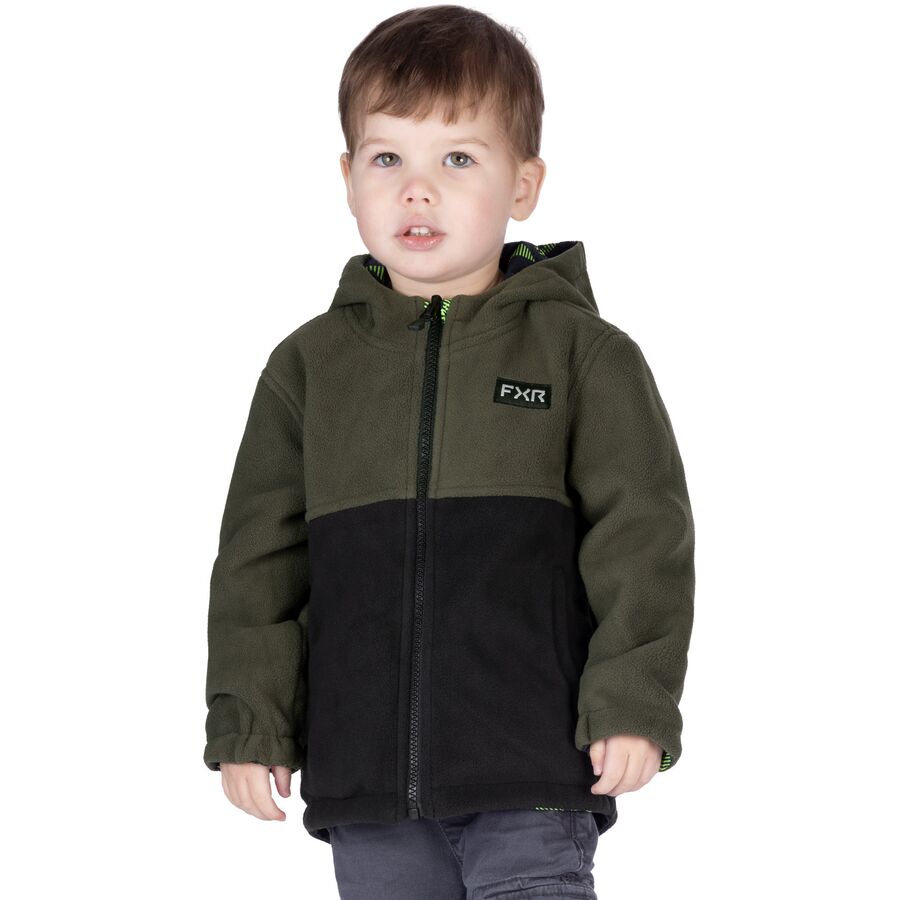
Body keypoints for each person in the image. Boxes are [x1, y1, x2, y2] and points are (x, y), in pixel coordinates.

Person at [203, 5, 695, 898]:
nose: (417, 190)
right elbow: (257, 566)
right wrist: (251, 724)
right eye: (388, 159)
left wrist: (633, 702)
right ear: (348, 177)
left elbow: (643, 538)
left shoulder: (584, 357)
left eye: (458, 159)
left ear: (523, 185)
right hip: (367, 781)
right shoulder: (308, 369)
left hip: (532, 764)